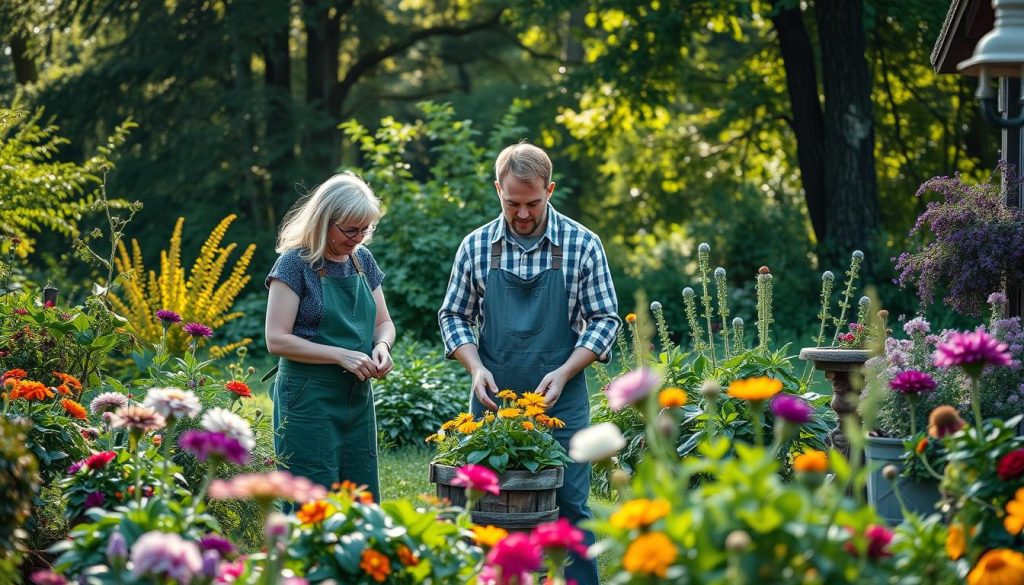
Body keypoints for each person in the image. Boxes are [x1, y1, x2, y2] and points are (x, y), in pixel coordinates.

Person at [439, 143, 620, 585]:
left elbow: (605, 319)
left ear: (550, 190)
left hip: (561, 400)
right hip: (493, 404)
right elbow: (454, 315)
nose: (522, 214)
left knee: (572, 507)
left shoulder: (582, 244)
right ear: (497, 189)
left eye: (533, 203)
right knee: (484, 507)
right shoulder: (477, 246)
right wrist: (475, 367)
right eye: (512, 203)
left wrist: (564, 371)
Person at [265, 172, 395, 502]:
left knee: (361, 496)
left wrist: (381, 346)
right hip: (308, 398)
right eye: (350, 230)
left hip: (356, 397)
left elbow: (384, 323)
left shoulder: (362, 260)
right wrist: (340, 354)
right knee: (312, 500)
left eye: (365, 229)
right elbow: (276, 339)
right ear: (325, 221)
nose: (359, 237)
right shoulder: (294, 263)